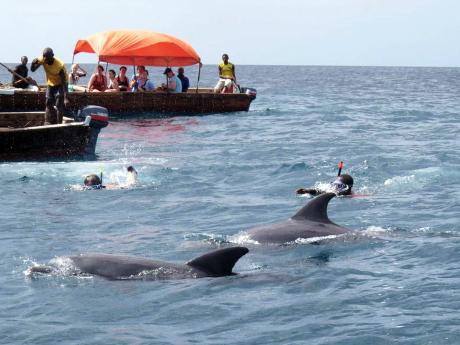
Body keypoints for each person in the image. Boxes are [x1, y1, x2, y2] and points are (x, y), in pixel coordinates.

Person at [31, 48, 69, 124]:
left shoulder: (59, 65)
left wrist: (65, 98)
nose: (45, 59)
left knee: (59, 104)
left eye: (47, 57)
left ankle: (59, 124)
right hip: (50, 83)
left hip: (60, 84)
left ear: (52, 56)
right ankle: (49, 120)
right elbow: (32, 70)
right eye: (44, 57)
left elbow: (64, 82)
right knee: (48, 102)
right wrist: (32, 63)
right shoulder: (42, 59)